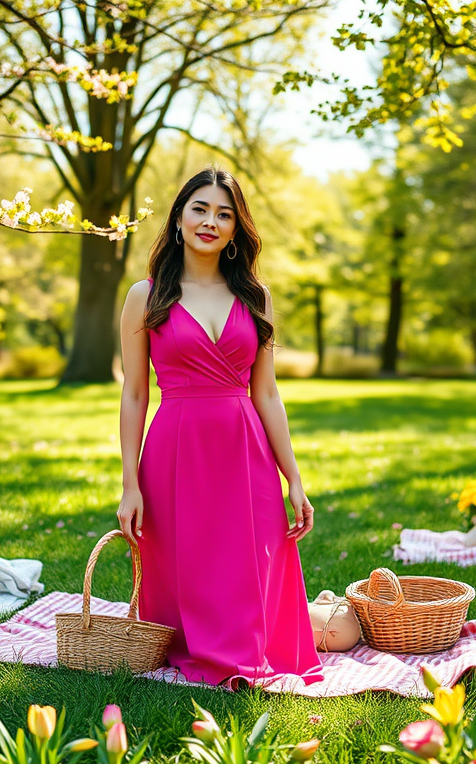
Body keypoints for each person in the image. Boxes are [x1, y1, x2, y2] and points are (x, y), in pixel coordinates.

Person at [116, 167, 324, 688]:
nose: (211, 221)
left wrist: (294, 478)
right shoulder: (145, 295)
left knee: (246, 559)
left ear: (236, 229)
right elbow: (135, 393)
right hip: (175, 446)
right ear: (179, 218)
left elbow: (268, 393)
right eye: (200, 209)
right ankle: (192, 644)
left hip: (244, 444)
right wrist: (129, 483)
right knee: (186, 562)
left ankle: (246, 650)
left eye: (224, 214)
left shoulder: (255, 296)